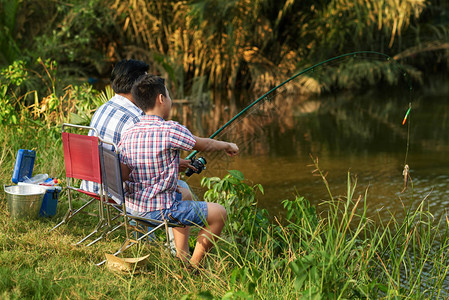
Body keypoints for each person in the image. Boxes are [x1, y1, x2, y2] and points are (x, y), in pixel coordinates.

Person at [118, 74, 239, 267]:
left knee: (183, 193)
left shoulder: (129, 132)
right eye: (169, 95)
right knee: (220, 213)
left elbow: (125, 173)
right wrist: (227, 145)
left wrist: (173, 165)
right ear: (161, 99)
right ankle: (194, 266)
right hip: (160, 211)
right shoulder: (170, 130)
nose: (170, 100)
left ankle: (181, 257)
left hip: (134, 209)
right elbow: (204, 144)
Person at [81, 59, 192, 198]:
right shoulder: (138, 119)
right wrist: (174, 165)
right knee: (185, 190)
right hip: (115, 192)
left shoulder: (103, 108)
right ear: (138, 85)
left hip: (92, 185)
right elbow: (143, 171)